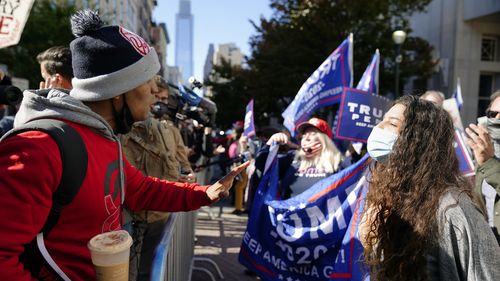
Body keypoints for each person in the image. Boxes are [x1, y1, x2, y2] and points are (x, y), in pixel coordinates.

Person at [0, 10, 247, 281]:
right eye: (148, 80)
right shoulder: (37, 148)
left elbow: (140, 189)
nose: (156, 92)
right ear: (117, 90)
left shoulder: (103, 137)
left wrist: (205, 193)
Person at [361, 95, 500, 281]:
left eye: (392, 124)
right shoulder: (391, 195)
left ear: (419, 139)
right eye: (382, 121)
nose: (379, 129)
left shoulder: (453, 209)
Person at [120, 75, 194, 281]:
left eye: (162, 99)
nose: (157, 103)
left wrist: (186, 176)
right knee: (132, 271)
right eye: (154, 97)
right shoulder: (125, 126)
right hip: (132, 214)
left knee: (149, 268)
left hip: (158, 212)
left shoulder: (169, 130)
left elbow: (177, 161)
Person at [258, 117, 343, 198]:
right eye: (304, 134)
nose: (306, 136)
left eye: (313, 133)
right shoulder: (293, 158)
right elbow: (262, 165)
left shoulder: (337, 162)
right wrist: (270, 143)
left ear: (324, 139)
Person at [465, 89, 500, 244]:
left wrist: (488, 162)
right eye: (493, 114)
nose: (497, 118)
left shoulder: (486, 157)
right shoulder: (481, 149)